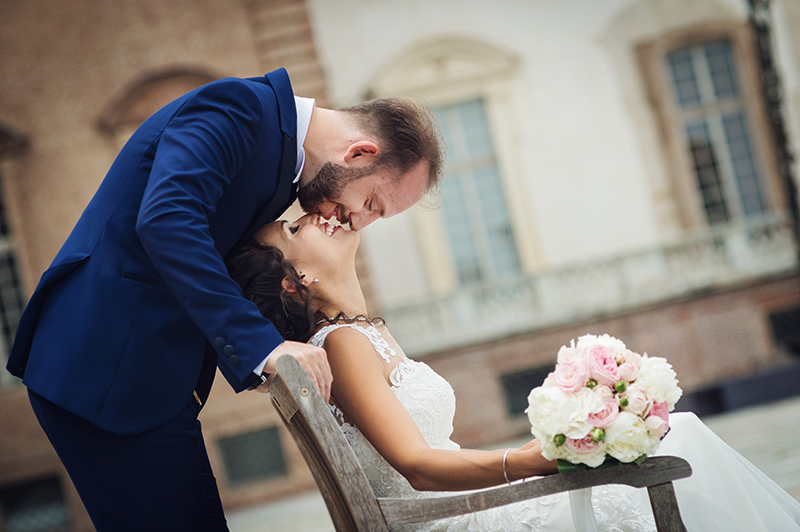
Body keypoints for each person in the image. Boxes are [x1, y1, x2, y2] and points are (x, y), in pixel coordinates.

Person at [5, 68, 444, 531]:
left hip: (150, 383)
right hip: (104, 368)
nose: (358, 223)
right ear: (359, 153)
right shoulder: (239, 108)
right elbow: (167, 219)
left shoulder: (283, 167)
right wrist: (262, 345)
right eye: (372, 204)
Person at [226, 213, 800, 532]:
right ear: (292, 279)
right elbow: (419, 468)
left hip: (466, 506)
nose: (318, 217)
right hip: (453, 521)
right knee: (687, 442)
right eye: (296, 228)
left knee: (680, 436)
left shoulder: (359, 334)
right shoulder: (344, 343)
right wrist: (530, 460)